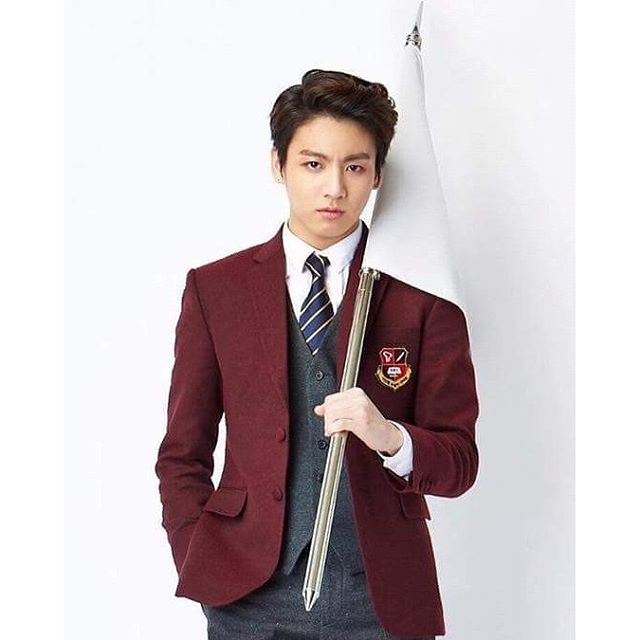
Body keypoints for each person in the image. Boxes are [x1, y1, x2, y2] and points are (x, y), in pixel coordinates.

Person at [155, 69, 480, 640]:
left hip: (379, 601)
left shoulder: (423, 298)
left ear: (378, 175)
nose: (334, 188)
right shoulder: (216, 289)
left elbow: (459, 463)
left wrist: (389, 437)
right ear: (278, 164)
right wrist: (198, 555)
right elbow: (183, 453)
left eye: (354, 167)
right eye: (313, 164)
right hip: (246, 599)